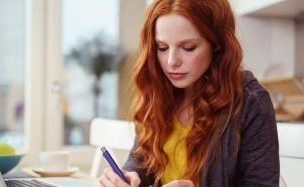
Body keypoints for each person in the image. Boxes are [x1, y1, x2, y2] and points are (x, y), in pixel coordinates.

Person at [99, 0, 279, 187]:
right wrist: (127, 176)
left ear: (217, 45)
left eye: (188, 48)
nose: (171, 62)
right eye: (162, 47)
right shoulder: (159, 91)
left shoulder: (252, 102)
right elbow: (141, 161)